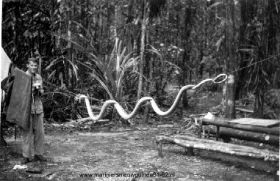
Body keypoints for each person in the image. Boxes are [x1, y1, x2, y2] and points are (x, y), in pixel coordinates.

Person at [22, 57, 46, 163]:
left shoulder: (38, 77)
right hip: (27, 109)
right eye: (31, 65)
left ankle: (38, 154)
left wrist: (39, 91)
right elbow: (20, 93)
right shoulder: (23, 77)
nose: (34, 67)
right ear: (27, 65)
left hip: (38, 108)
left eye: (35, 65)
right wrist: (30, 90)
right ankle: (26, 156)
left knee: (39, 132)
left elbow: (42, 91)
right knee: (27, 133)